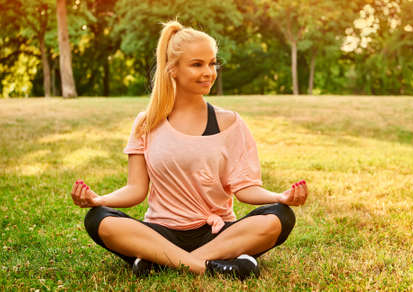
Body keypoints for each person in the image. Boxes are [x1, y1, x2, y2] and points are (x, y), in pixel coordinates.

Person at [70, 20, 308, 281]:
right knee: (99, 219)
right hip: (161, 232)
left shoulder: (230, 122)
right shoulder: (147, 123)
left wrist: (280, 196)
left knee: (279, 216)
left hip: (217, 232)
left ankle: (160, 261)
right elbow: (136, 189)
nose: (209, 72)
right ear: (173, 69)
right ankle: (213, 265)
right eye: (197, 64)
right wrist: (99, 200)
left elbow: (245, 188)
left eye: (212, 63)